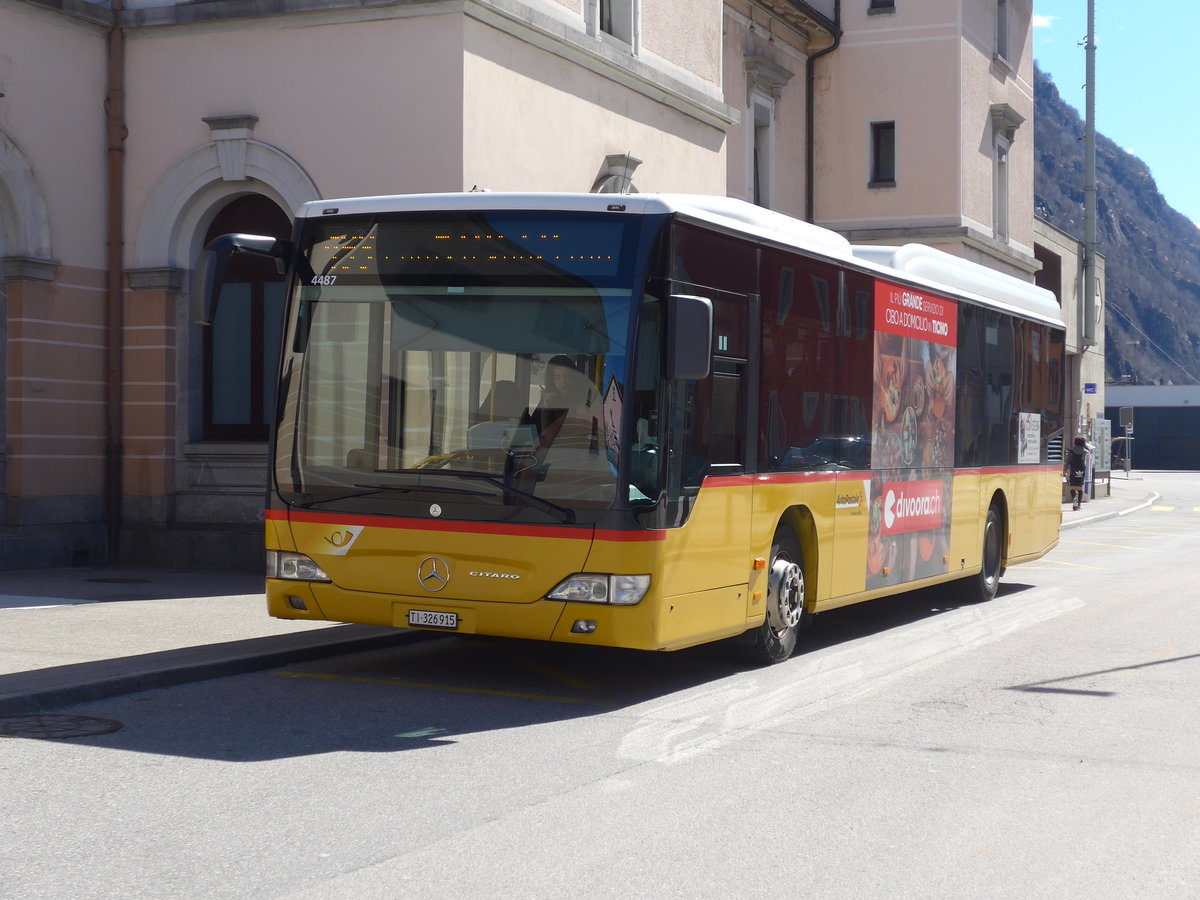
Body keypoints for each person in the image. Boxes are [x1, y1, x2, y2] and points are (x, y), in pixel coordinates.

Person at [523, 355, 597, 449]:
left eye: (567, 376)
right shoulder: (549, 399)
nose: (563, 382)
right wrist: (546, 408)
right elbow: (536, 436)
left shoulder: (586, 399)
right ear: (551, 380)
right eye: (557, 377)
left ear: (575, 377)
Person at [1065, 435, 1088, 511]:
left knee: (1072, 487)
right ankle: (1079, 505)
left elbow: (1067, 461)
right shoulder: (1085, 451)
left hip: (1073, 471)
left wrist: (1065, 470)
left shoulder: (1070, 451)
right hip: (1081, 471)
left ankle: (1074, 498)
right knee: (1080, 488)